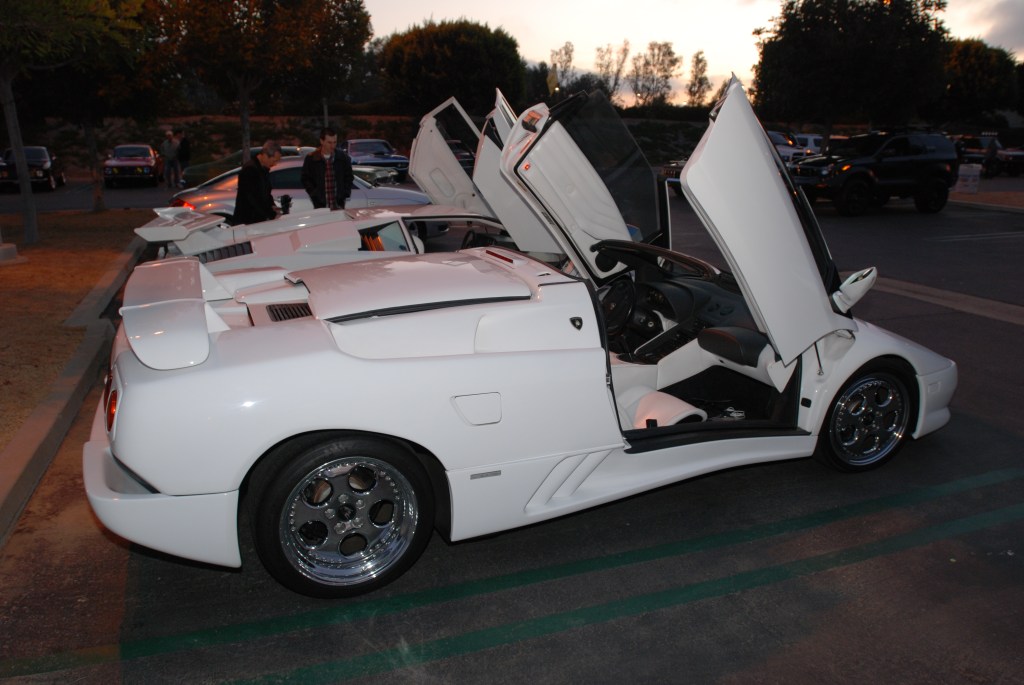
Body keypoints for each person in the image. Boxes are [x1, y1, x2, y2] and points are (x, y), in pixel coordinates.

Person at [301, 127, 353, 210]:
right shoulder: (311, 158)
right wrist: (314, 194)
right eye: (329, 142)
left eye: (334, 142)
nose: (332, 146)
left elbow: (349, 177)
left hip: (338, 204)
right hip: (320, 205)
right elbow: (306, 178)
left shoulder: (343, 157)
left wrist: (345, 193)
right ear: (322, 141)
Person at [232, 140, 282, 225]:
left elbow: (266, 193)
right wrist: (270, 214)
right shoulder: (250, 170)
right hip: (248, 220)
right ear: (265, 155)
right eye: (274, 160)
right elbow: (253, 198)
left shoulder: (263, 169)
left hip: (257, 219)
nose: (275, 164)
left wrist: (271, 206)